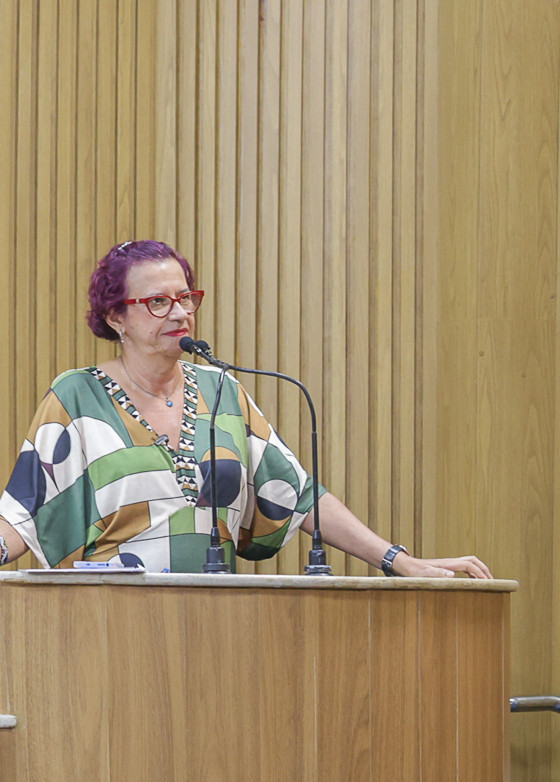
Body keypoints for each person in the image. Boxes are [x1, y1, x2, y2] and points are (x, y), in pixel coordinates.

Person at [0, 240, 493, 576]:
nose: (180, 312)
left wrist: (398, 561)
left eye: (186, 297)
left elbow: (299, 497)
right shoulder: (78, 397)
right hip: (108, 632)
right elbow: (23, 513)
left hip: (220, 631)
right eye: (158, 302)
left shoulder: (222, 392)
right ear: (116, 316)